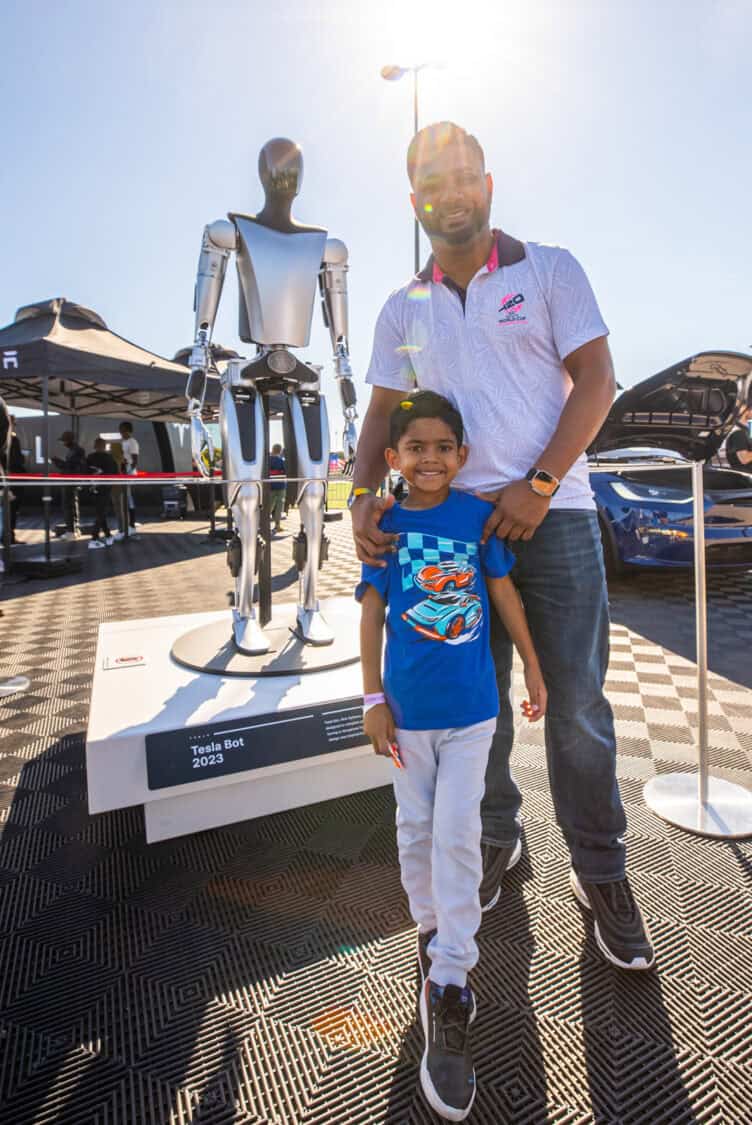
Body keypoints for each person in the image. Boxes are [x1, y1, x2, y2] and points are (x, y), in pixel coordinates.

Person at [351, 121, 654, 972]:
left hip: (551, 518)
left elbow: (598, 379)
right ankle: (496, 836)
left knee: (576, 705)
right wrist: (360, 491)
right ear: (415, 201)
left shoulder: (549, 268)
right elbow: (379, 416)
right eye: (430, 182)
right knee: (471, 702)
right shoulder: (400, 307)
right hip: (449, 530)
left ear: (487, 184)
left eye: (461, 177)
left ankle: (601, 873)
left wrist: (543, 481)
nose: (449, 193)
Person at [358, 391, 546, 1121]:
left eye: (443, 446)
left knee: (458, 834)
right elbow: (372, 613)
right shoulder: (387, 526)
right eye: (415, 447)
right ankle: (432, 928)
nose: (429, 457)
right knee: (415, 831)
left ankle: (451, 982)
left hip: (473, 717)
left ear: (462, 455)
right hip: (406, 721)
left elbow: (503, 594)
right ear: (393, 458)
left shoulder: (475, 519)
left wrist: (531, 663)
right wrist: (372, 701)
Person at [52, 430, 87, 539]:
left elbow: (71, 467)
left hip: (70, 481)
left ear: (69, 440)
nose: (63, 443)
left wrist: (58, 462)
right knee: (72, 505)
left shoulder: (77, 451)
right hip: (71, 481)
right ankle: (74, 530)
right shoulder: (74, 450)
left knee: (68, 505)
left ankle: (71, 531)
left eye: (64, 440)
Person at [86, 438, 118, 548]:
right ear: (105, 446)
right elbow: (115, 474)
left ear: (95, 446)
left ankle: (108, 535)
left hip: (93, 488)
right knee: (101, 512)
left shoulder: (90, 457)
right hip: (104, 488)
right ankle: (94, 538)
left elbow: (85, 472)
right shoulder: (109, 458)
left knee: (100, 512)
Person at [118, 421, 140, 528]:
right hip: (123, 471)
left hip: (129, 471)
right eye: (120, 430)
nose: (121, 432)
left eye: (122, 430)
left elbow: (135, 460)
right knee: (126, 496)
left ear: (128, 430)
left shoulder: (132, 442)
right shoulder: (123, 442)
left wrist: (129, 472)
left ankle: (132, 523)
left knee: (129, 497)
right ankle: (128, 522)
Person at [725, 405, 752, 471]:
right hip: (745, 475)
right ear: (746, 410)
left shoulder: (746, 430)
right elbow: (744, 459)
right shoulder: (738, 433)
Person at [269, 443, 286, 533]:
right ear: (280, 451)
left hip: (270, 486)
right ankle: (277, 526)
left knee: (270, 505)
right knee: (279, 506)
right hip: (280, 486)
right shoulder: (281, 461)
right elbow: (285, 472)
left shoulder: (267, 460)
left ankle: (262, 524)